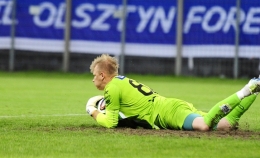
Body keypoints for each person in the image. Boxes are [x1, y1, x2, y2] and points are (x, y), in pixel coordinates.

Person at [86, 54, 260, 131]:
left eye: (94, 76)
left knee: (204, 125)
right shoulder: (120, 81)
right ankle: (256, 86)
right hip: (170, 106)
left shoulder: (112, 88)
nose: (93, 80)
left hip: (166, 112)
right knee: (226, 125)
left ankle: (246, 90)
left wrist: (92, 110)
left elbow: (110, 122)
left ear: (102, 75)